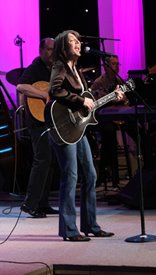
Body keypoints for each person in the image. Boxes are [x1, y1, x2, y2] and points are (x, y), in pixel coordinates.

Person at [47, 30, 126, 241]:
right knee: (70, 175)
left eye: (78, 41)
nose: (78, 44)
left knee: (90, 174)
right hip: (63, 127)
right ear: (63, 47)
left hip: (78, 128)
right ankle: (69, 230)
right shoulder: (60, 66)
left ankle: (91, 225)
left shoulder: (78, 72)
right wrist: (81, 101)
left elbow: (90, 102)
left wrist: (113, 97)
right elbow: (55, 91)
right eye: (73, 41)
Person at [16, 37, 59, 218]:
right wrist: (43, 94)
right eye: (49, 49)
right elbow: (20, 86)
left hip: (50, 120)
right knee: (42, 160)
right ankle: (30, 204)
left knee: (50, 161)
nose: (52, 53)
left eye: (54, 50)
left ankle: (43, 203)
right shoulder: (35, 68)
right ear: (41, 50)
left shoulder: (55, 69)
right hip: (37, 121)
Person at [90, 55, 125, 188]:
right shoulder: (99, 82)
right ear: (105, 67)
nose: (116, 67)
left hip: (119, 115)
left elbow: (126, 98)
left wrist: (123, 98)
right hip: (103, 116)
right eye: (113, 64)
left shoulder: (120, 81)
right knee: (109, 134)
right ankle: (111, 175)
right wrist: (111, 98)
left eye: (117, 64)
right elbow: (95, 103)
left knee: (135, 127)